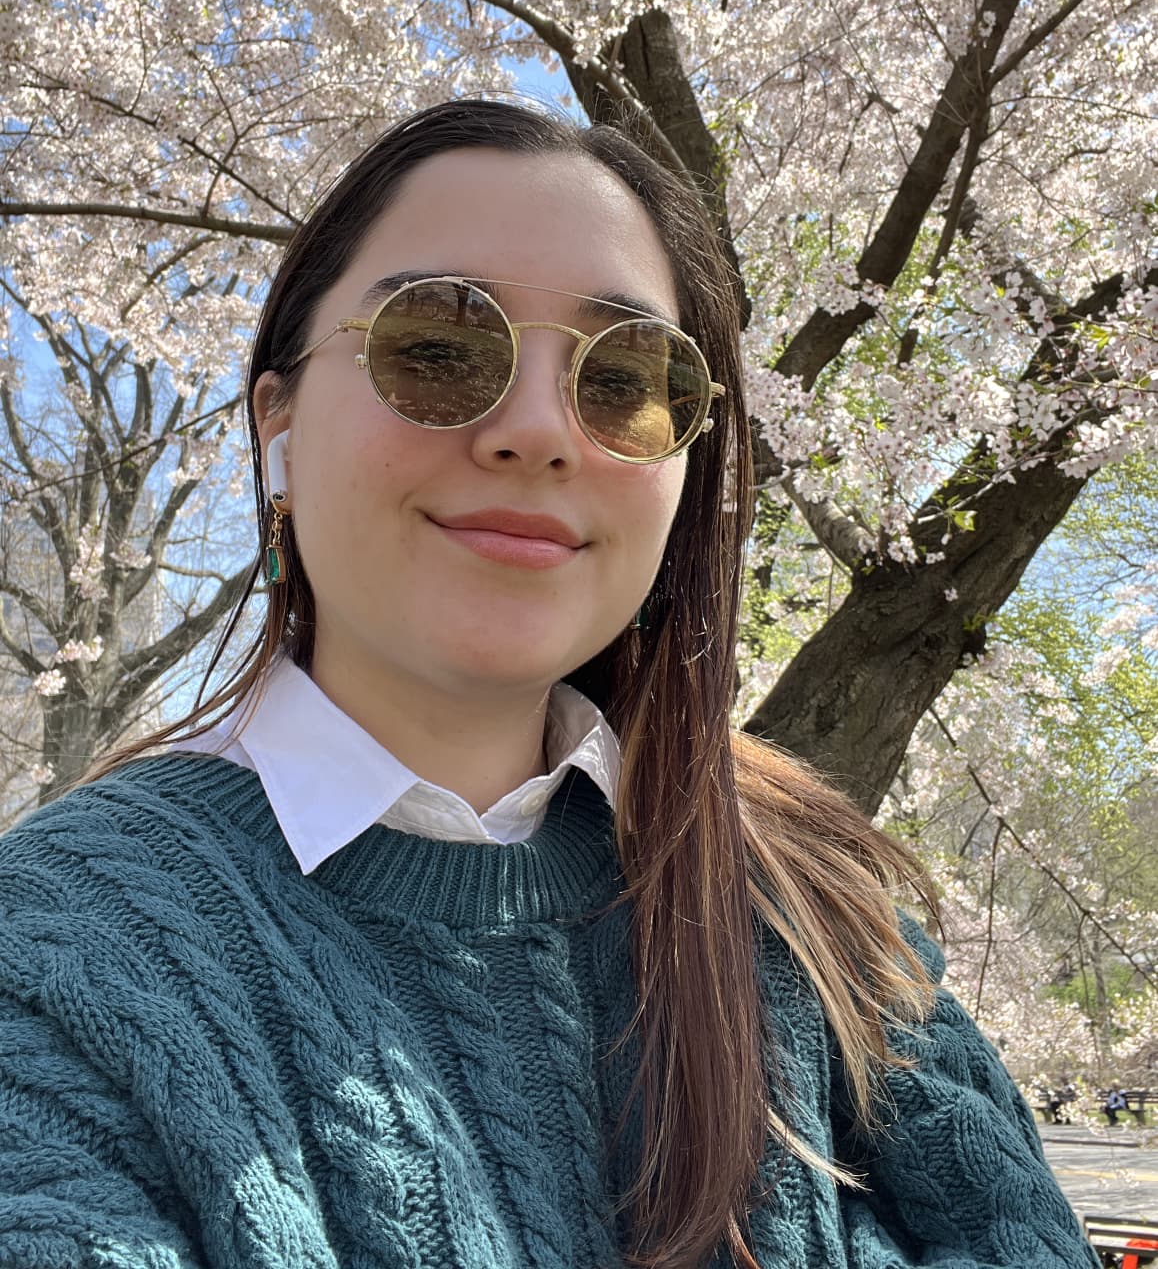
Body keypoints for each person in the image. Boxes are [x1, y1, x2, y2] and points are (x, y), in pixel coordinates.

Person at [0, 100, 1098, 1268]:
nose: (537, 429)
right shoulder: (61, 954)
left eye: (626, 375)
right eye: (433, 346)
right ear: (278, 422)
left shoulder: (811, 898)